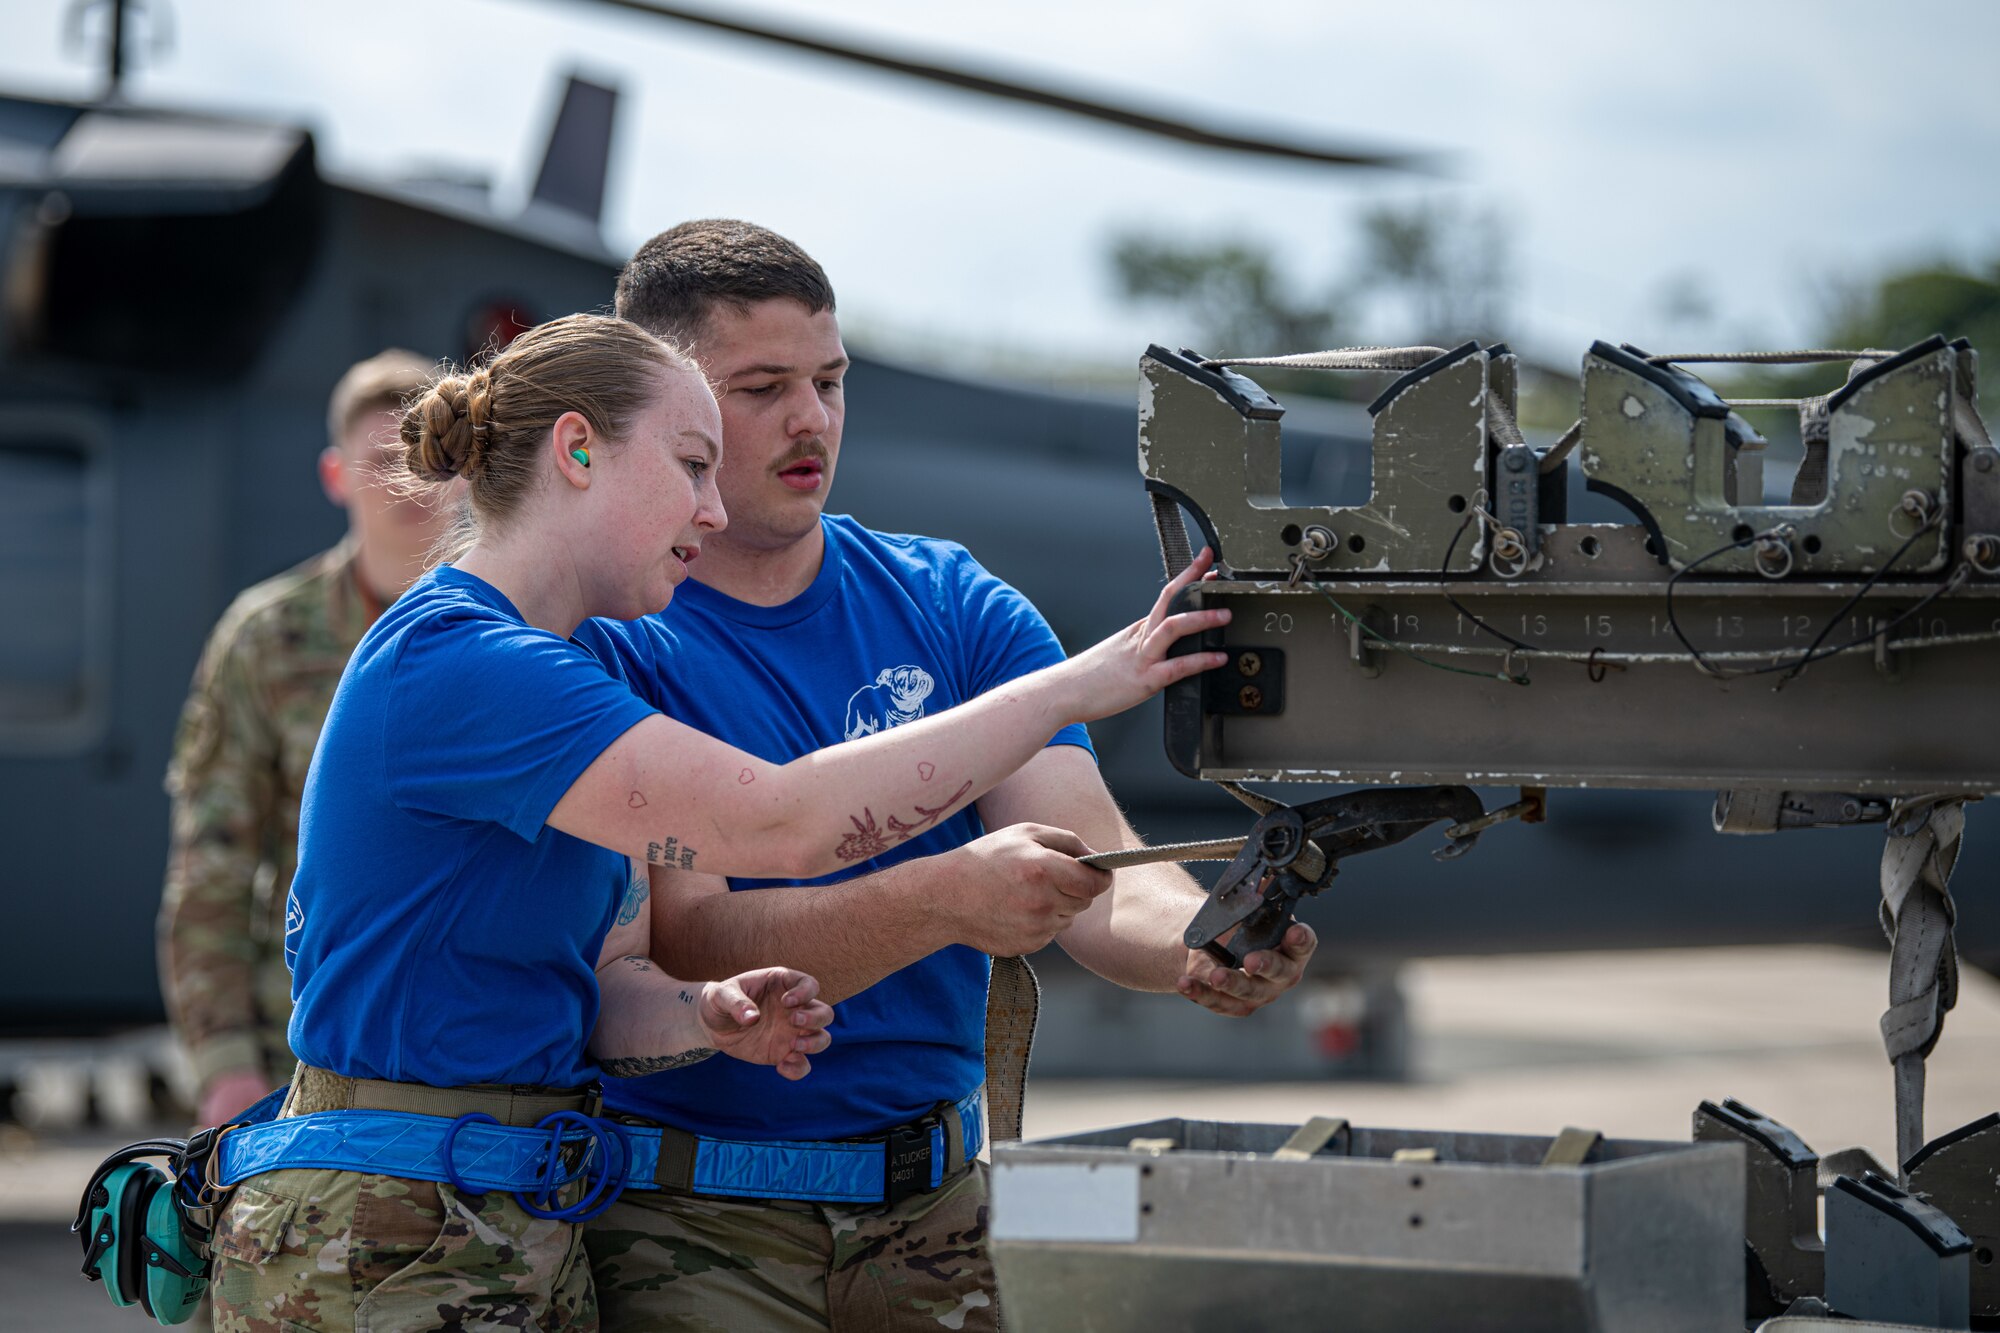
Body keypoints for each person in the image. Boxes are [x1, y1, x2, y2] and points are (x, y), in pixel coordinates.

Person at [206, 312, 1228, 1333]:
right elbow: (781, 823)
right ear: (574, 450)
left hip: (506, 1219)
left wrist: (705, 1013)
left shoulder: (558, 671)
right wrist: (1075, 686)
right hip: (386, 1234)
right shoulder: (467, 662)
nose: (710, 507)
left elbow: (596, 989)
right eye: (692, 463)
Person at [576, 220, 1319, 1332]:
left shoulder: (951, 604)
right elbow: (692, 942)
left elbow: (1095, 867)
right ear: (666, 407)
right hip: (694, 1225)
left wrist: (1200, 943)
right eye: (762, 386)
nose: (809, 419)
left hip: (933, 1216)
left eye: (829, 380)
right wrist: (946, 897)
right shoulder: (608, 638)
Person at [160, 349, 449, 1130]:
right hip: (301, 1056)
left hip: (472, 1054)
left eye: (429, 456)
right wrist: (224, 1069)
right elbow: (211, 869)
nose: (407, 481)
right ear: (334, 475)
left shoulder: (524, 629)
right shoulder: (268, 638)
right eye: (384, 459)